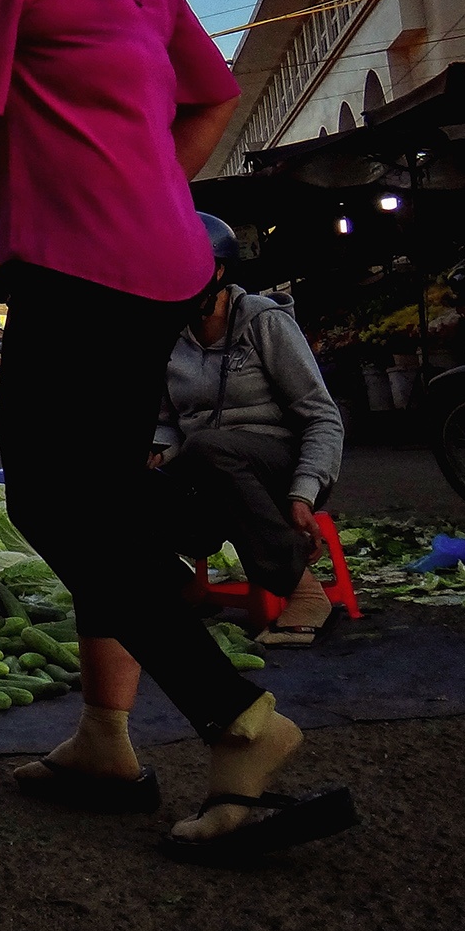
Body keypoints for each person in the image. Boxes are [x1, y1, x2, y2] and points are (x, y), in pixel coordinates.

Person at [0, 0, 351, 863]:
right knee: (102, 503)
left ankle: (236, 722)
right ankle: (106, 736)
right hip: (160, 261)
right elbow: (208, 97)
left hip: (75, 261)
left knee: (52, 506)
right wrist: (149, 181)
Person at [155, 213, 345, 648]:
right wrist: (156, 452)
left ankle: (304, 591)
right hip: (210, 471)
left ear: (218, 272)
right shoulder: (169, 338)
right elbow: (167, 423)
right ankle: (187, 590)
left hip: (278, 466)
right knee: (113, 479)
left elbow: (321, 417)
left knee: (208, 448)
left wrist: (304, 492)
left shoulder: (264, 322)